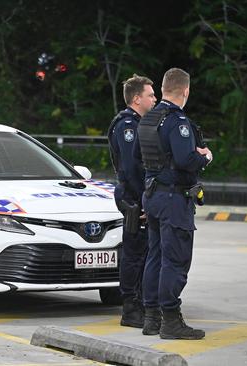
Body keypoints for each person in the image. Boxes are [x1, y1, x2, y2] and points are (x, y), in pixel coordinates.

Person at [137, 68, 212, 339]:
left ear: (164, 88)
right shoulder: (178, 120)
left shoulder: (148, 119)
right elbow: (185, 160)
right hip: (172, 198)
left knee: (155, 256)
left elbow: (140, 159)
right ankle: (170, 320)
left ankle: (151, 317)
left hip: (153, 195)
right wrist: (205, 157)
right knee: (175, 260)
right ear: (186, 90)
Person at [107, 74, 157, 328]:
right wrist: (145, 200)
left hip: (139, 196)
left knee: (143, 252)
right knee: (134, 253)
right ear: (137, 98)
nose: (155, 98)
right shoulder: (127, 125)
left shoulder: (140, 123)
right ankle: (131, 308)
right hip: (134, 198)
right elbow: (131, 167)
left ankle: (142, 303)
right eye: (150, 94)